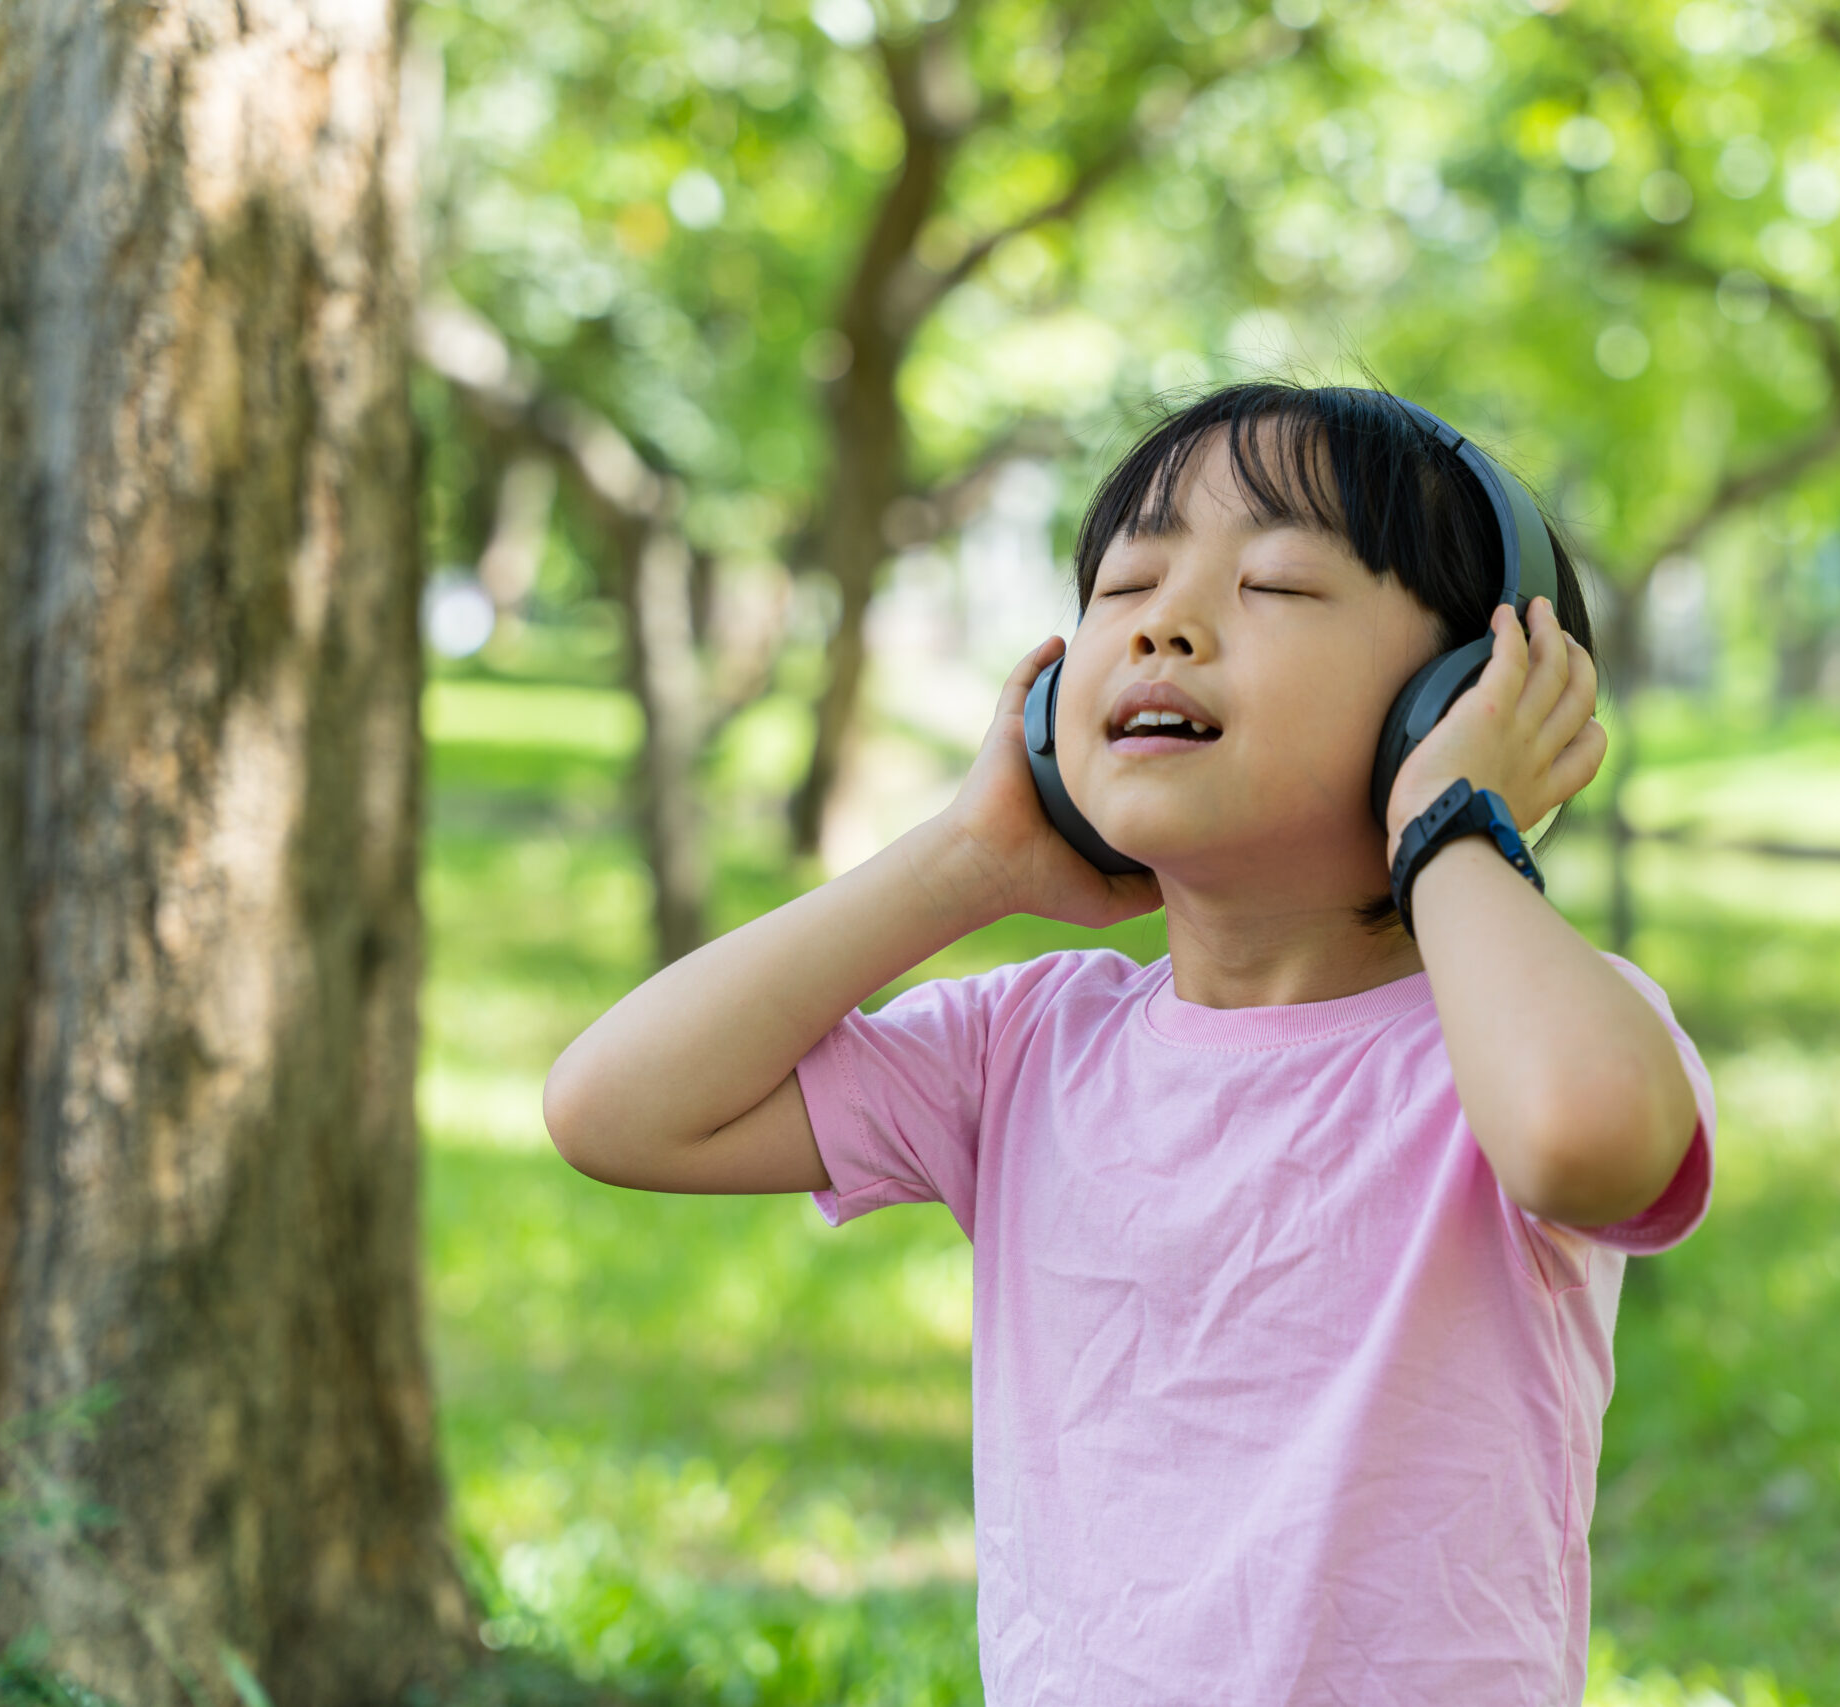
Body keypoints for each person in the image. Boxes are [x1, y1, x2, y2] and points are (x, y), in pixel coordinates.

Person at [541, 381, 1717, 1705]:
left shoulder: (1508, 1037)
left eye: (1275, 584)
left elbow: (1588, 1139)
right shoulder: (1032, 1043)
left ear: (1456, 694)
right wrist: (962, 863)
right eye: (1124, 585)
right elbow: (613, 1107)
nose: (1163, 621)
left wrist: (1447, 824)